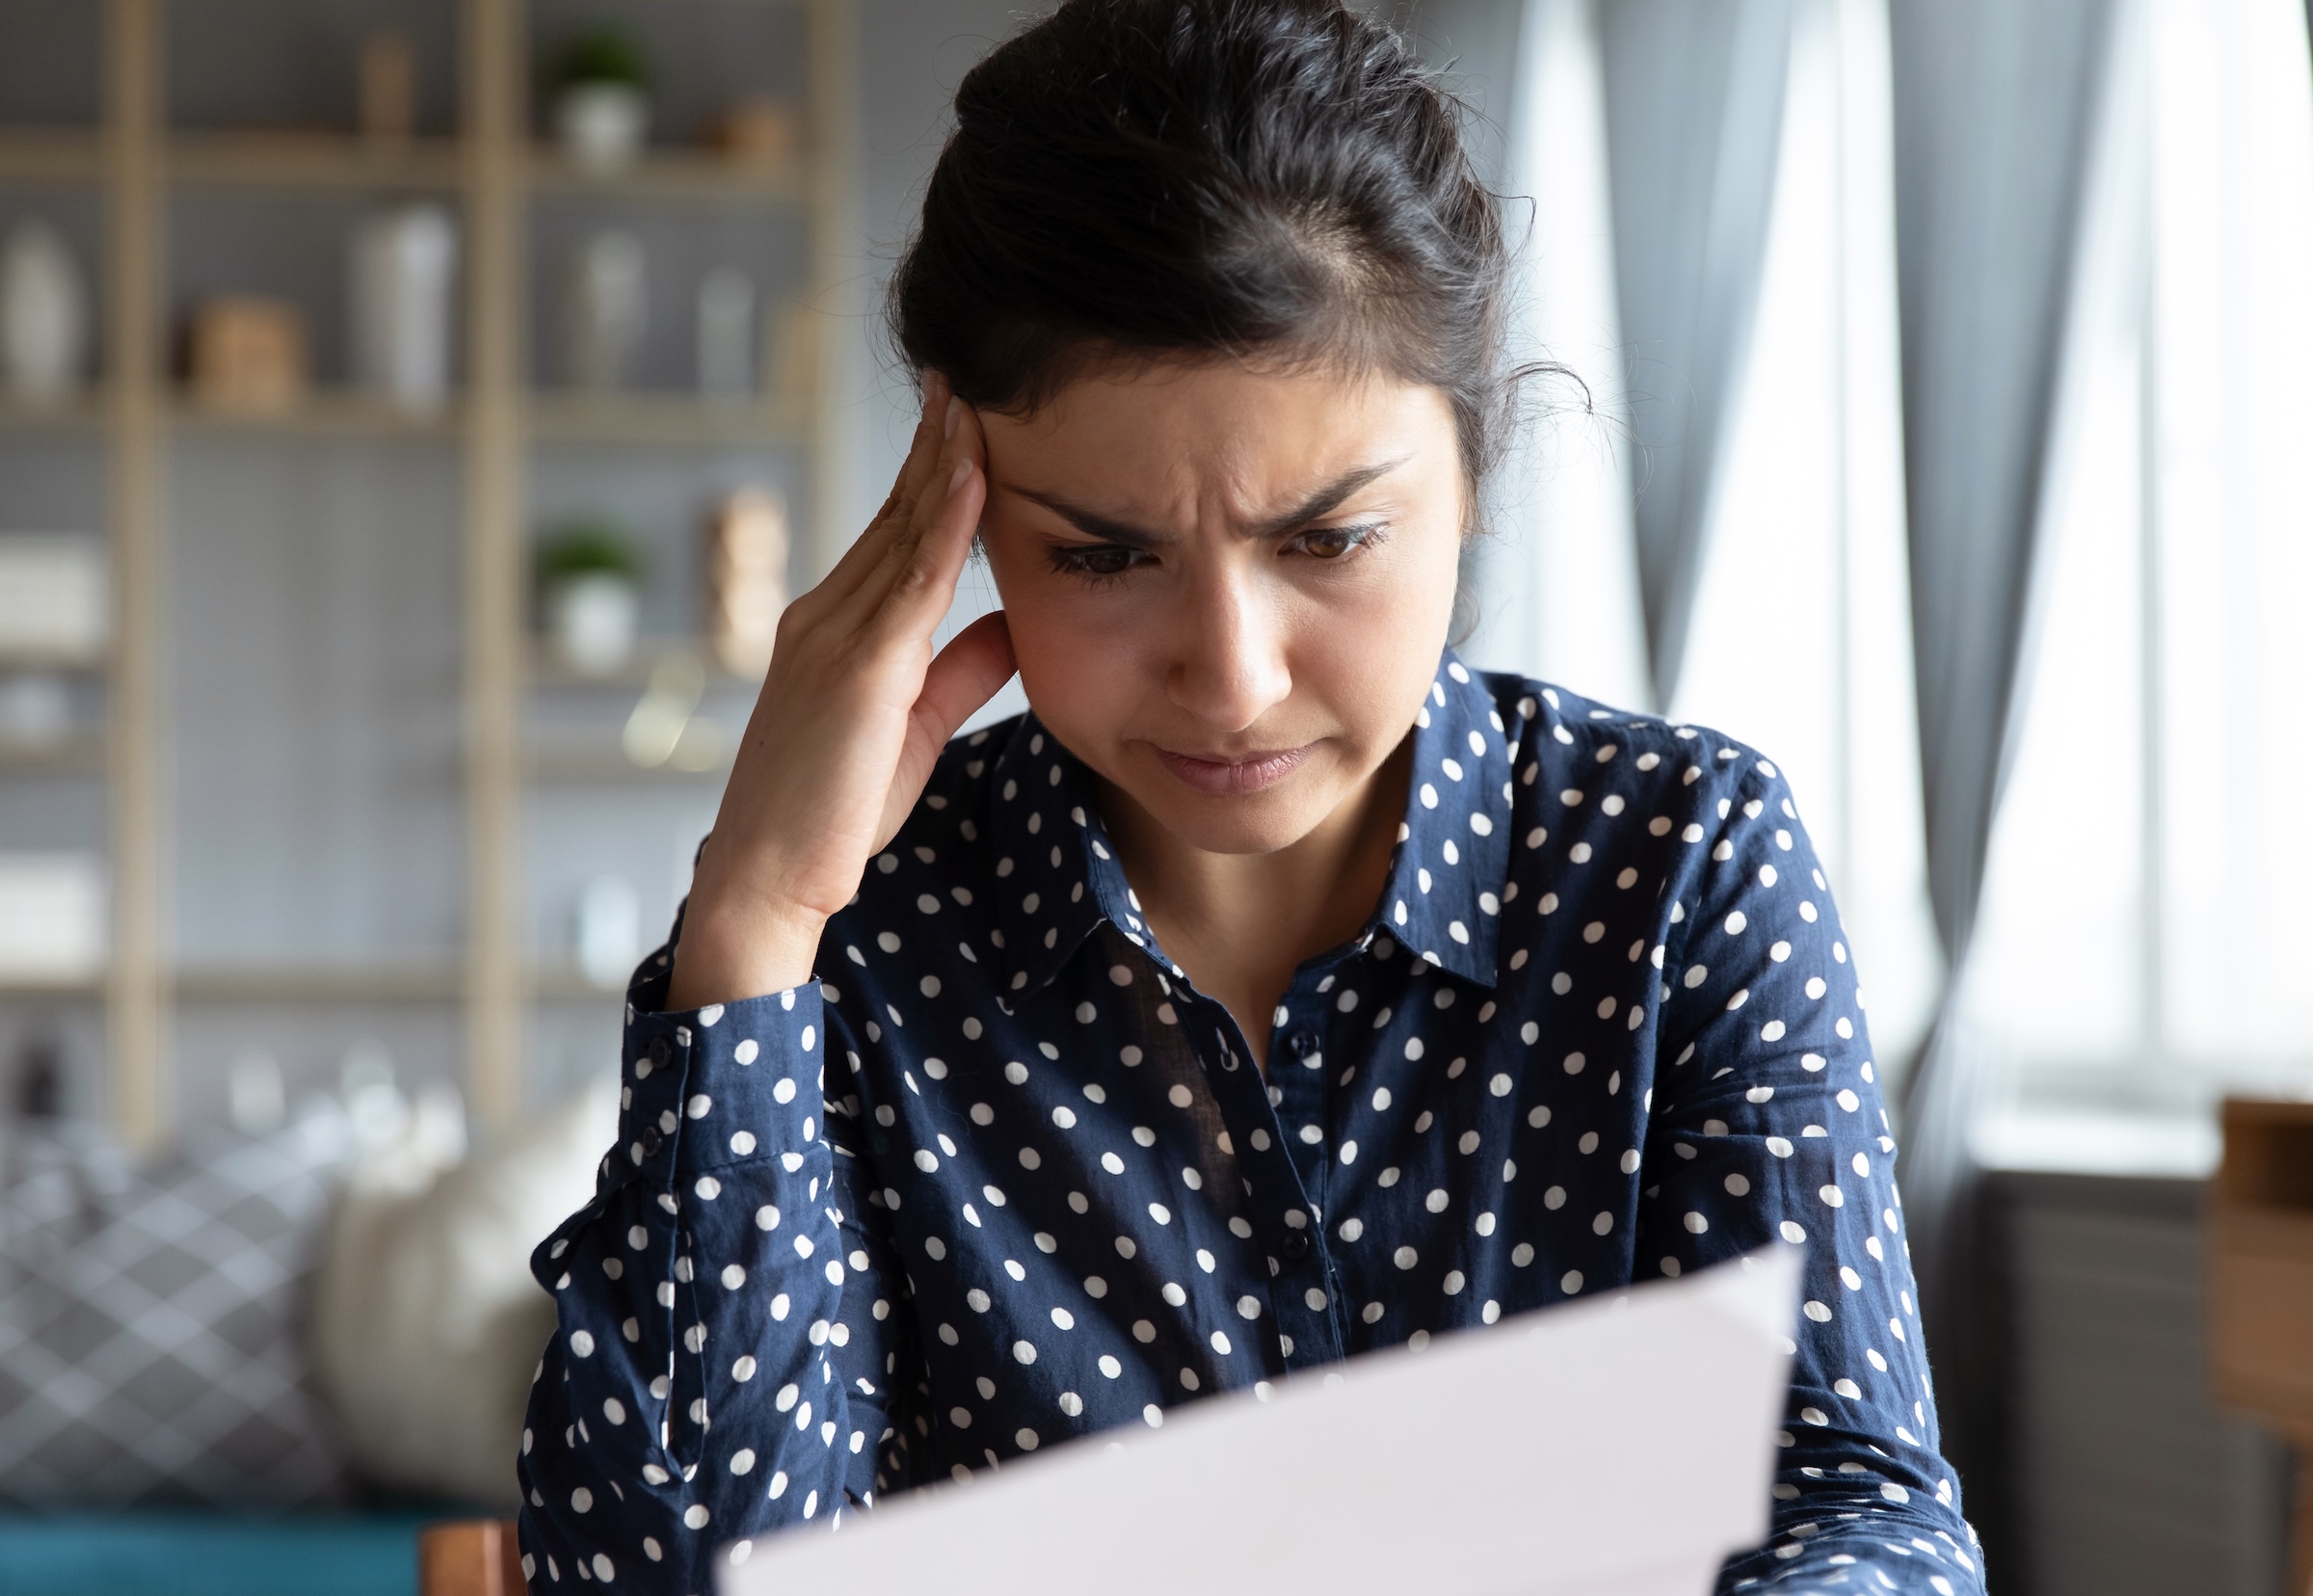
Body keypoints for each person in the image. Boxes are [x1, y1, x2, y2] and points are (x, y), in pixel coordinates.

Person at [517, 2, 1982, 1591]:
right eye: (1102, 555)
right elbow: (678, 1574)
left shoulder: (1679, 869)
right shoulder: (869, 933)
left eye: (1328, 541)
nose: (1230, 677)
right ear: (962, 517)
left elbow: (1854, 1509)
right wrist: (753, 921)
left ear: (1473, 465)